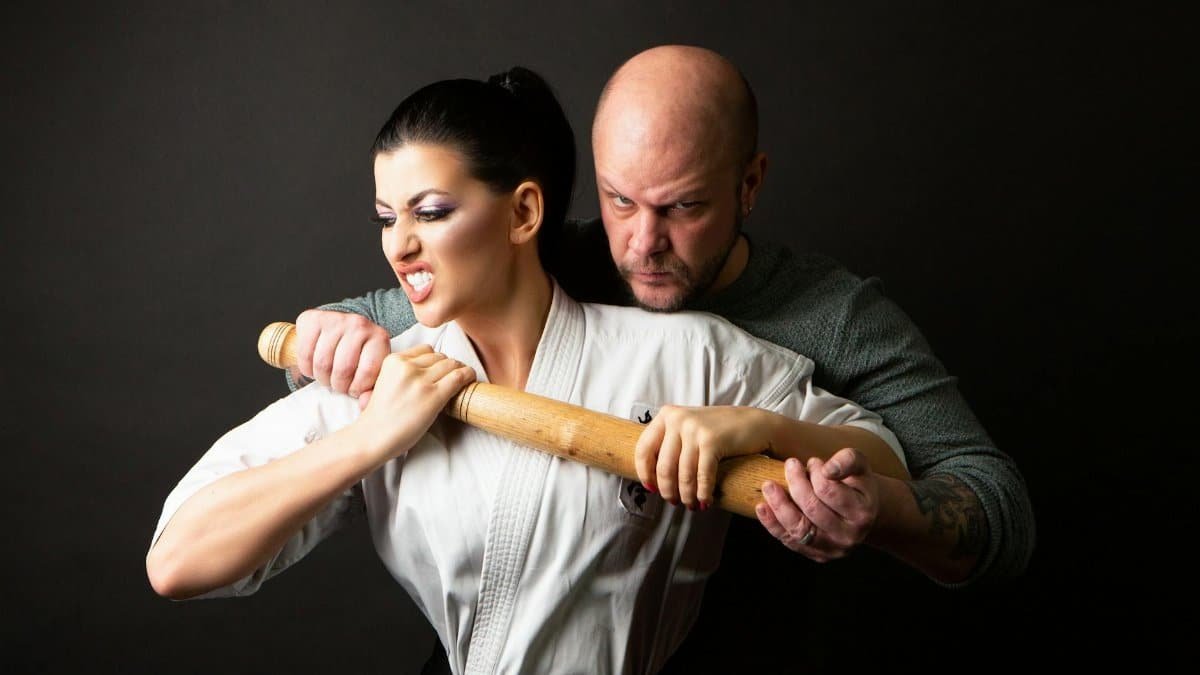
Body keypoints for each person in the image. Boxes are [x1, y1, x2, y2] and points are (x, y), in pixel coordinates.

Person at [146, 67, 908, 674]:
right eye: (386, 217)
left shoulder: (689, 356)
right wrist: (369, 440)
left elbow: (886, 465)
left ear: (523, 213)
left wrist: (761, 427)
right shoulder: (387, 381)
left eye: (431, 212)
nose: (399, 245)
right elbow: (176, 561)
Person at [286, 45, 1035, 586]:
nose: (644, 244)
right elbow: (375, 315)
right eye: (620, 200)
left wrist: (880, 510)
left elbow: (999, 510)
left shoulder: (836, 315)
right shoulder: (559, 263)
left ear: (749, 185)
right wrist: (334, 332)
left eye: (683, 207)